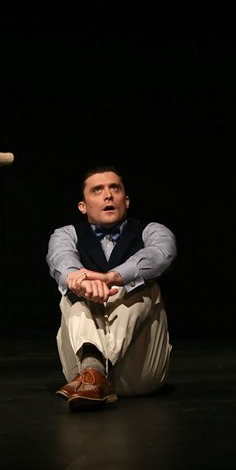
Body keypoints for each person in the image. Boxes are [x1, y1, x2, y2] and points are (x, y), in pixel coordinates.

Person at [45, 166, 176, 411]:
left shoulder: (153, 231)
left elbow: (160, 254)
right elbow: (61, 259)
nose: (108, 195)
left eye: (114, 189)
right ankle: (92, 372)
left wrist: (112, 278)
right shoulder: (65, 234)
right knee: (72, 293)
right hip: (80, 382)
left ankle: (95, 372)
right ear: (83, 206)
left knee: (144, 287)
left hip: (137, 376)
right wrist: (81, 282)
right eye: (98, 190)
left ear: (126, 201)